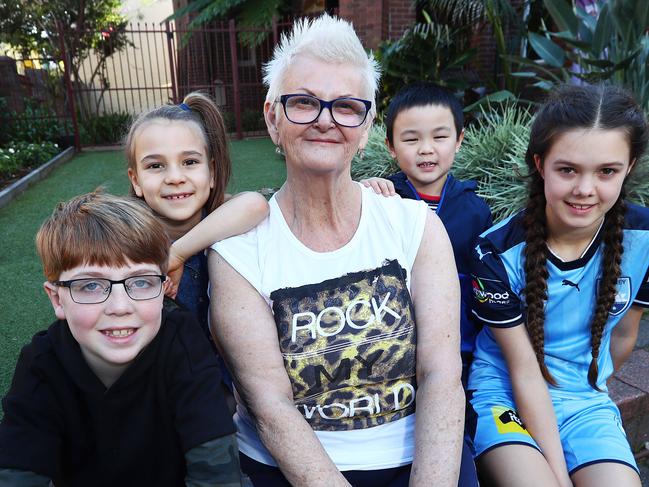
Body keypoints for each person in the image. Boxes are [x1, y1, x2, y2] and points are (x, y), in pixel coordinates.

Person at [209, 14, 468, 487]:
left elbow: (441, 376)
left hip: (420, 461)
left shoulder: (415, 227)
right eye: (304, 102)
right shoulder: (238, 252)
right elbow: (270, 407)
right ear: (273, 117)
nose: (326, 120)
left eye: (347, 107)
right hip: (289, 471)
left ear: (367, 125)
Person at [467, 84, 649, 487]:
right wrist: (559, 475)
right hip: (505, 394)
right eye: (567, 169)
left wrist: (588, 387)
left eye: (607, 171)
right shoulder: (494, 253)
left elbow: (623, 336)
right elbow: (524, 371)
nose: (585, 189)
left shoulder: (645, 238)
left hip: (584, 402)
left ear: (629, 166)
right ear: (540, 164)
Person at [0, 192, 241, 486]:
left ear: (164, 287)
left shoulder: (182, 341)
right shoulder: (41, 364)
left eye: (140, 282)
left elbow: (217, 473)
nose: (120, 307)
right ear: (57, 299)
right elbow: (19, 472)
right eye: (90, 285)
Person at [363, 82, 493, 385]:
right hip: (391, 347)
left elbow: (483, 283)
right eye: (411, 139)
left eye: (440, 136)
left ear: (459, 140)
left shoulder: (474, 210)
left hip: (457, 345)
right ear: (391, 146)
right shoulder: (382, 200)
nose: (426, 148)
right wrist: (363, 193)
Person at [125, 92, 269, 346]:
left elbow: (255, 205)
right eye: (156, 166)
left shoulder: (220, 214)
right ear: (136, 180)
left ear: (211, 172)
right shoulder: (126, 238)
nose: (175, 177)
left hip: (225, 369)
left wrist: (178, 253)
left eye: (190, 162)